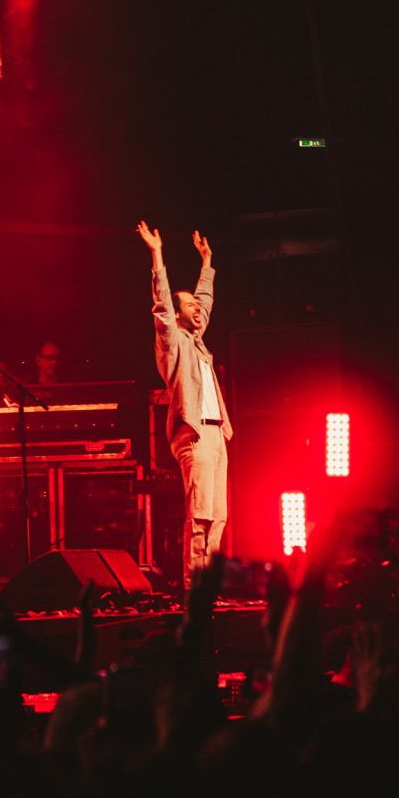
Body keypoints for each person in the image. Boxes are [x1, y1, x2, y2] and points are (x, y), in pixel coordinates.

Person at [136, 221, 232, 587]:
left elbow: (205, 304)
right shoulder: (172, 342)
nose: (196, 308)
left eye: (195, 304)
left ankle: (211, 587)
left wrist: (206, 264)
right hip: (194, 433)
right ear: (177, 315)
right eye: (188, 305)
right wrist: (157, 254)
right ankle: (195, 588)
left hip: (216, 434)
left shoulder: (197, 340)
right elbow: (162, 304)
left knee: (218, 515)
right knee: (201, 514)